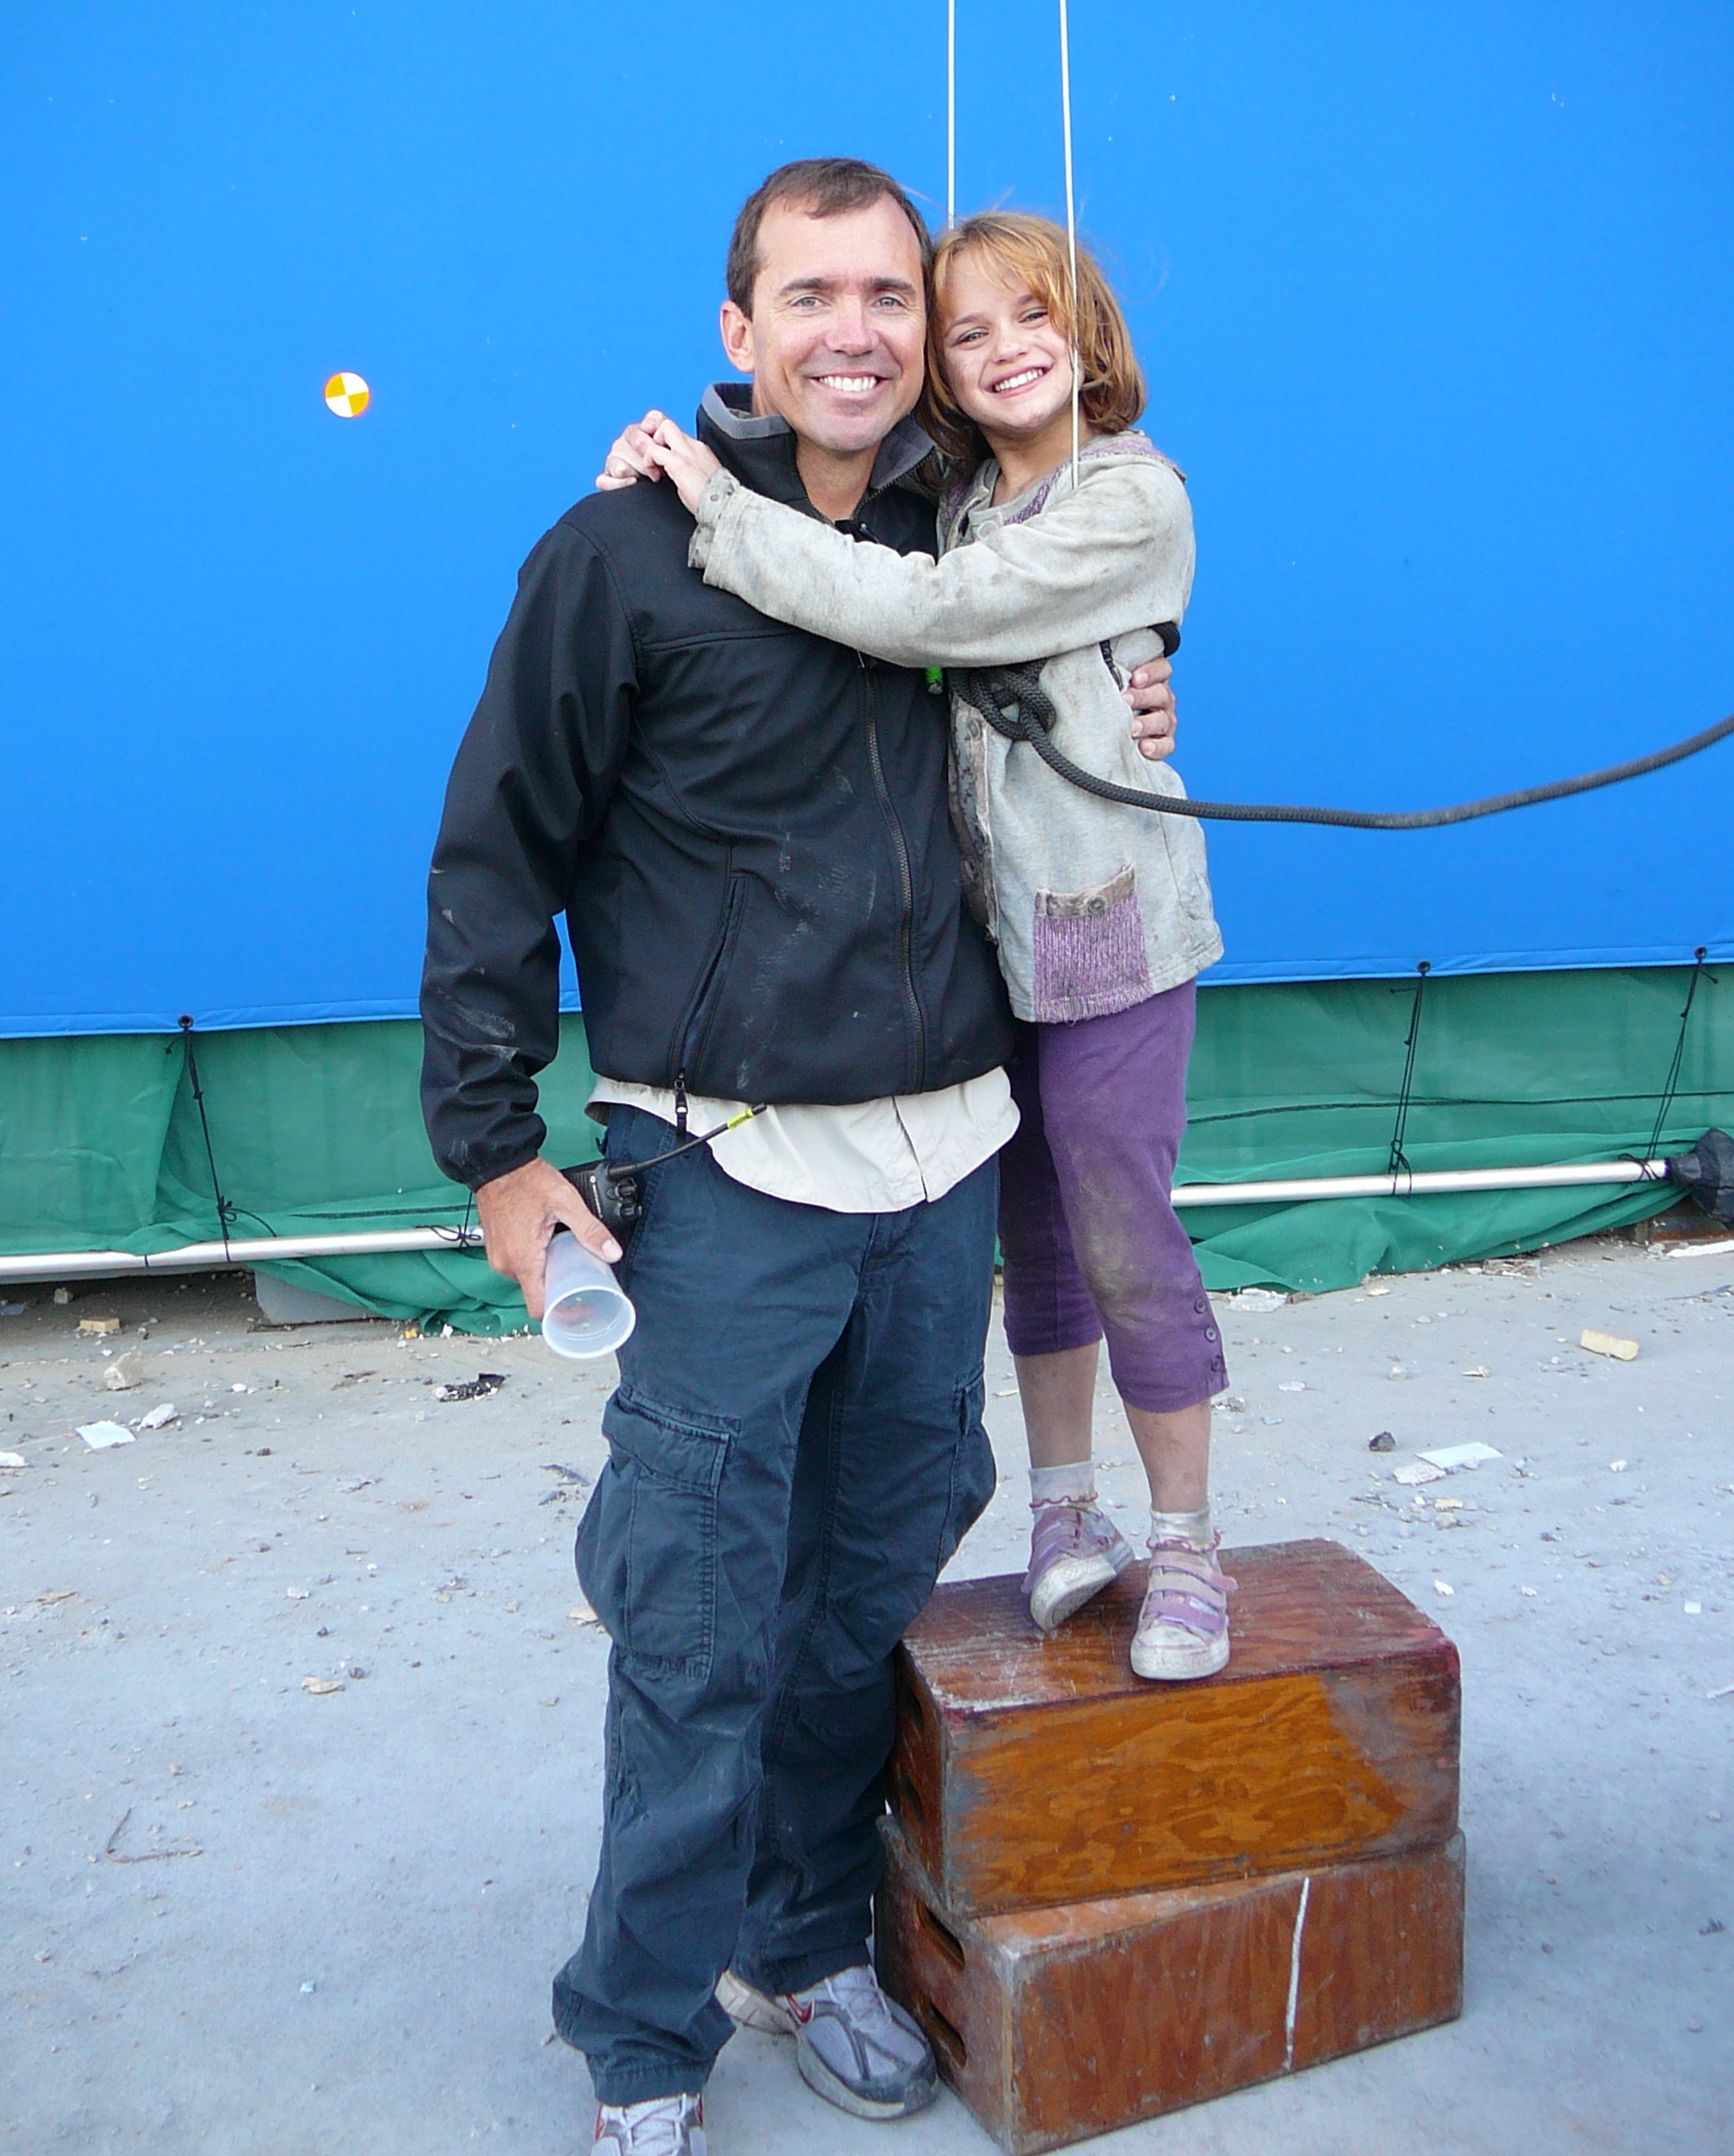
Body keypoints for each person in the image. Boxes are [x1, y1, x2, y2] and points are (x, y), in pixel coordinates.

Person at [419, 162, 1174, 2156]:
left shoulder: (970, 532)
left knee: (869, 1567)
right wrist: (499, 1155)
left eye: (891, 296)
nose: (860, 327)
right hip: (730, 1164)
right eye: (810, 292)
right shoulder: (622, 551)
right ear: (738, 331)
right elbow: (496, 855)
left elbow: (1102, 603)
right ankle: (645, 2033)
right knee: (694, 1600)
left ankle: (803, 1931)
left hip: (947, 1152)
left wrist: (1142, 664)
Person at [602, 209, 1235, 1690]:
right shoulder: (949, 491)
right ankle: (1066, 1510)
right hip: (989, 938)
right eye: (969, 332)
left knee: (1123, 1227)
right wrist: (669, 455)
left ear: (1091, 337)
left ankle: (1191, 1540)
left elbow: (932, 616)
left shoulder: (1131, 498)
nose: (1007, 349)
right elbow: (836, 462)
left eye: (1037, 318)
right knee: (1036, 1235)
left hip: (1110, 936)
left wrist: (716, 513)